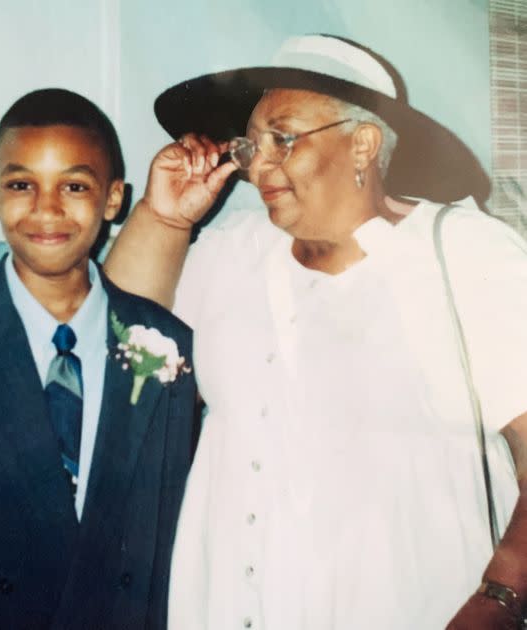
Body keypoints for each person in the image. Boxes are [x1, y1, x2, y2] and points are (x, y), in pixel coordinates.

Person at [105, 35, 527, 629]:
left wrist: (501, 597)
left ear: (363, 144)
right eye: (253, 144)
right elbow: (122, 342)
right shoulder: (231, 256)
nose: (259, 164)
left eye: (284, 138)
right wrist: (164, 218)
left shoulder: (463, 253)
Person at [0, 88, 197, 629]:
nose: (47, 209)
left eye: (75, 186)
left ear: (113, 199)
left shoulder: (168, 347)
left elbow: (171, 547)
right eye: (21, 185)